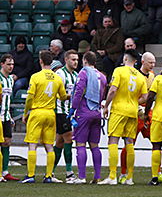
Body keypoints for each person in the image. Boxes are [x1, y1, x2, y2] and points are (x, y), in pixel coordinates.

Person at [20, 50, 69, 183]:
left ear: (40, 61)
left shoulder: (36, 77)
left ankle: (30, 175)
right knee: (49, 146)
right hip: (50, 113)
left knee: (32, 145)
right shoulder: (57, 78)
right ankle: (48, 176)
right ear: (51, 62)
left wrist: (26, 113)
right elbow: (63, 97)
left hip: (37, 112)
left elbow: (30, 97)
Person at [99, 49, 147, 185]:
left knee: (113, 141)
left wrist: (107, 105)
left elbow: (113, 90)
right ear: (136, 61)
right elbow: (144, 97)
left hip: (119, 110)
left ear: (125, 59)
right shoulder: (140, 76)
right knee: (129, 143)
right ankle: (129, 178)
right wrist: (133, 102)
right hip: (132, 112)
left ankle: (113, 176)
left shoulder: (119, 71)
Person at [118, 52, 162, 184]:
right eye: (150, 62)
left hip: (147, 113)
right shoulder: (135, 76)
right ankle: (123, 174)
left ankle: (158, 172)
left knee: (156, 141)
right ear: (142, 62)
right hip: (135, 112)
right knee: (129, 143)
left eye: (154, 63)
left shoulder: (153, 76)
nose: (152, 65)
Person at [69, 51, 107, 184]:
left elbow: (79, 91)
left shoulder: (84, 73)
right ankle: (97, 177)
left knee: (80, 144)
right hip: (97, 112)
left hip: (84, 112)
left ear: (85, 60)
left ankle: (81, 177)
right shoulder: (102, 76)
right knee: (95, 146)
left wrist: (73, 108)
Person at [52, 50, 79, 183]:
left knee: (59, 142)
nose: (75, 62)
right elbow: (55, 93)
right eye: (73, 59)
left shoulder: (76, 75)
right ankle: (69, 173)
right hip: (61, 112)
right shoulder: (59, 74)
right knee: (68, 138)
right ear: (66, 60)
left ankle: (50, 172)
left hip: (71, 112)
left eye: (77, 60)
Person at [0, 54, 18, 181]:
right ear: (2, 64)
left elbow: (8, 100)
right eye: (8, 64)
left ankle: (5, 171)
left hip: (5, 116)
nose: (11, 67)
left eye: (12, 64)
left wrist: (10, 117)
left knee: (7, 142)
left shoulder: (10, 80)